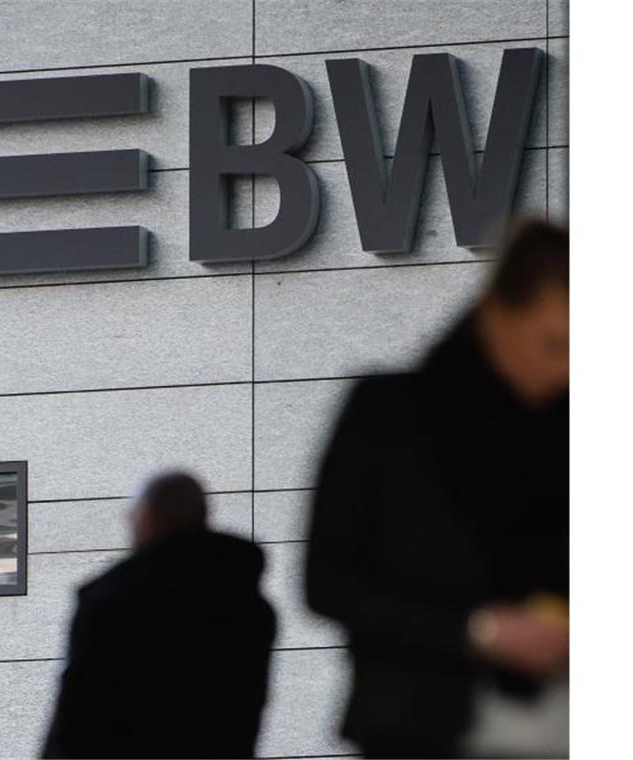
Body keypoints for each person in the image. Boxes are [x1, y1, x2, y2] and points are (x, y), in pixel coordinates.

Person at [305, 218, 569, 758]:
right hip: (421, 724)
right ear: (496, 316)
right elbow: (327, 580)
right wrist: (478, 629)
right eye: (553, 344)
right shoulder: (387, 414)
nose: (567, 370)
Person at [43, 471, 277, 758]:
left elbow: (78, 719)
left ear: (149, 518)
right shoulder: (247, 605)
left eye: (134, 513)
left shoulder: (114, 602)